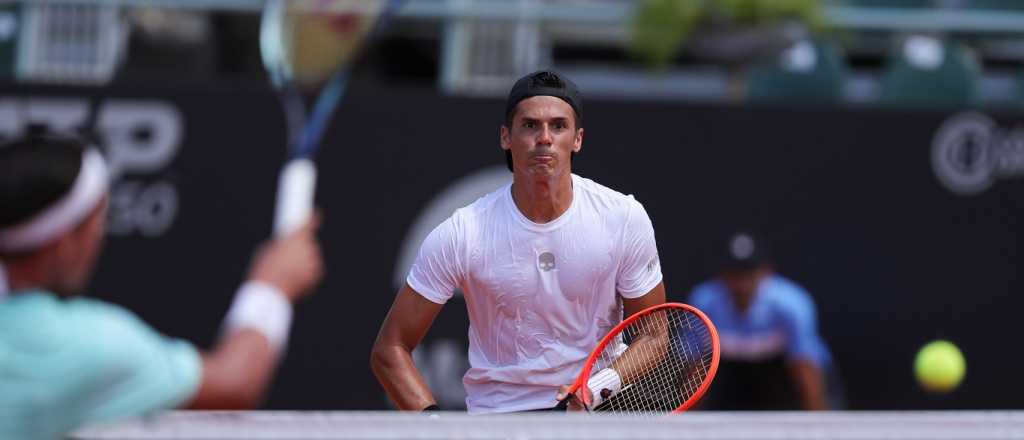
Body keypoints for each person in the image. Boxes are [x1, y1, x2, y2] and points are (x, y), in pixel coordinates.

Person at [371, 70, 666, 413]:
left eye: (558, 126)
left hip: (596, 415)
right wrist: (438, 429)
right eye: (529, 125)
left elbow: (654, 334)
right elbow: (390, 349)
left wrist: (594, 388)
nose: (544, 138)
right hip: (499, 420)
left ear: (577, 139)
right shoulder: (462, 232)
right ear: (505, 137)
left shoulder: (623, 218)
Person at [0, 134, 324, 439]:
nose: (99, 238)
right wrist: (273, 284)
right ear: (64, 244)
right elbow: (233, 382)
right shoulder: (86, 345)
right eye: (96, 223)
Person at [688, 231, 836, 410]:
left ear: (766, 272)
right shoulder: (704, 302)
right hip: (730, 377)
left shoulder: (791, 305)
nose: (742, 283)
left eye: (749, 273)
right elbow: (695, 367)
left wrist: (818, 426)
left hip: (781, 375)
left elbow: (804, 365)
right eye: (735, 273)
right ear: (722, 274)